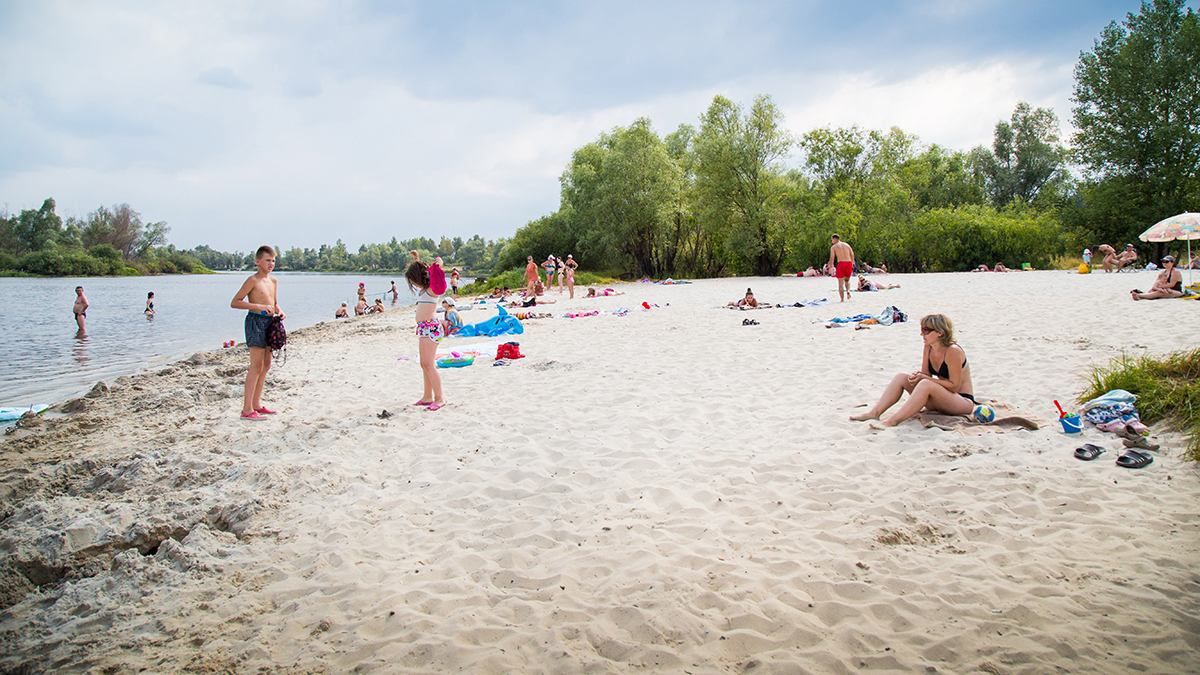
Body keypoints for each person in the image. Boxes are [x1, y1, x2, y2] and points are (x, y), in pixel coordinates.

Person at [850, 314, 976, 426]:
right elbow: (926, 375)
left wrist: (925, 379)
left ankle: (892, 421)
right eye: (922, 330)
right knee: (901, 377)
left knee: (925, 383)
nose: (922, 334)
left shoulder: (953, 351)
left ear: (940, 332)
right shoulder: (929, 347)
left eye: (926, 330)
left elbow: (954, 386)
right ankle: (874, 413)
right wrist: (918, 376)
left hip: (961, 402)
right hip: (941, 399)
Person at [230, 245, 283, 421]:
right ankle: (247, 410)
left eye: (273, 261)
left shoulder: (273, 281)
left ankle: (256, 404)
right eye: (267, 260)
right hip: (255, 322)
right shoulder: (252, 280)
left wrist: (279, 310)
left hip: (270, 323)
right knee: (256, 365)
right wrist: (258, 306)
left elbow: (274, 303)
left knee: (266, 365)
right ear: (258, 261)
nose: (271, 264)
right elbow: (235, 302)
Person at [408, 255, 449, 411]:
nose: (413, 284)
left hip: (431, 329)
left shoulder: (432, 289)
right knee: (424, 364)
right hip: (424, 329)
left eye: (413, 280)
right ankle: (427, 396)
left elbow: (438, 275)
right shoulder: (425, 290)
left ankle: (439, 398)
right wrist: (416, 259)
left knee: (428, 364)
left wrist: (437, 264)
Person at [828, 234, 855, 302]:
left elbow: (832, 257)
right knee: (847, 280)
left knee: (840, 283)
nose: (831, 241)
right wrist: (852, 263)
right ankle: (848, 291)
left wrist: (831, 266)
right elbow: (852, 254)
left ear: (835, 239)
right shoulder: (847, 245)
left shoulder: (834, 247)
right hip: (849, 263)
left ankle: (842, 299)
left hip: (841, 263)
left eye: (832, 240)